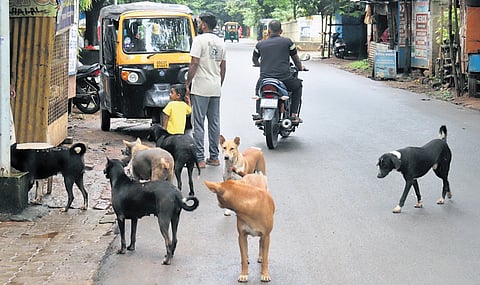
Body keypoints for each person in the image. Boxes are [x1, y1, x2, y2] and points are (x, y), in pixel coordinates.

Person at [185, 12, 226, 168]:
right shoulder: (221, 42)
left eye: (199, 22)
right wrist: (218, 84)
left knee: (198, 124)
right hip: (215, 88)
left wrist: (188, 83)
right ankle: (214, 157)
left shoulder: (198, 40)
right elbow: (223, 67)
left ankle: (200, 159)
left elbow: (194, 64)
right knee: (214, 124)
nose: (198, 24)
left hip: (200, 87)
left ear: (204, 24)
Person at [252, 19, 306, 124]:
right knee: (298, 86)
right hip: (284, 78)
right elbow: (295, 59)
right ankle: (293, 115)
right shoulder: (288, 42)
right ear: (281, 31)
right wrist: (300, 67)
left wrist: (260, 65)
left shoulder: (260, 44)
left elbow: (254, 59)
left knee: (259, 90)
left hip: (265, 78)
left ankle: (259, 113)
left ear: (268, 31)